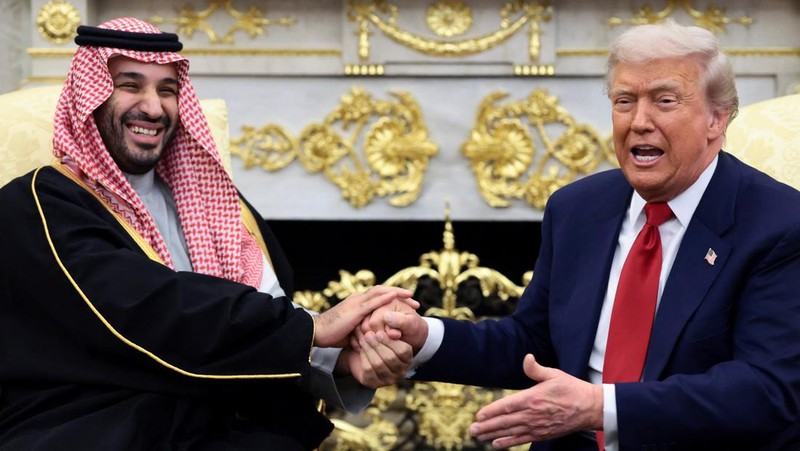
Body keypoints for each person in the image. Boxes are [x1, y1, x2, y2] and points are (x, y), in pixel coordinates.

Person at [363, 20, 800, 450]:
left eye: (664, 101)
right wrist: (424, 337)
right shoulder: (577, 208)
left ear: (716, 119)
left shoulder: (778, 225)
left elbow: (764, 390)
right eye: (624, 101)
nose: (639, 121)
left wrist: (600, 408)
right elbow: (534, 342)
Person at [0, 17, 415, 450]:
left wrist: (342, 364)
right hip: (89, 425)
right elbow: (150, 311)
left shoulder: (211, 200)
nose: (154, 108)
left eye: (167, 90)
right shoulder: (38, 206)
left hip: (214, 423)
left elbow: (265, 310)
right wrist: (315, 331)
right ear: (90, 97)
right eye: (130, 85)